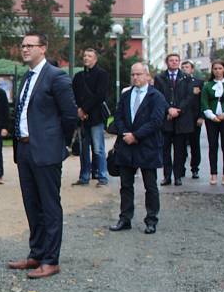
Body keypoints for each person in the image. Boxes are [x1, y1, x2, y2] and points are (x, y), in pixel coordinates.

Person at [8, 33, 78, 279]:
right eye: (23, 45)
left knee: (49, 206)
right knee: (32, 204)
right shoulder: (27, 77)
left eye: (30, 45)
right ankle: (36, 254)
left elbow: (70, 115)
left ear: (43, 48)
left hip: (46, 150)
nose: (25, 49)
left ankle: (51, 260)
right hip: (25, 149)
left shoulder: (56, 76)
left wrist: (59, 143)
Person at [109, 63, 168, 235]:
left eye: (139, 74)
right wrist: (125, 132)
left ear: (147, 76)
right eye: (133, 74)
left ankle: (151, 220)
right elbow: (118, 116)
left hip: (147, 146)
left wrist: (136, 135)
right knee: (126, 185)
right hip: (127, 146)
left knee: (150, 186)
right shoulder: (126, 95)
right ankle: (125, 218)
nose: (135, 77)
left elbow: (156, 121)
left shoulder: (156, 96)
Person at [153, 53, 195, 186]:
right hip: (166, 119)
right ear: (167, 62)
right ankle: (167, 176)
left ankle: (178, 176)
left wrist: (178, 110)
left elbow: (189, 97)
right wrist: (168, 109)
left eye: (177, 60)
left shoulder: (186, 78)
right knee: (165, 150)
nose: (174, 62)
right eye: (171, 60)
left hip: (181, 119)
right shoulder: (160, 78)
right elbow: (158, 96)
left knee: (179, 150)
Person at [71, 48, 109, 186]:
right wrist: (79, 111)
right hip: (82, 118)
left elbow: (100, 95)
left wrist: (84, 109)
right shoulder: (79, 76)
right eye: (85, 55)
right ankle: (84, 176)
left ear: (95, 59)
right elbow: (73, 95)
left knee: (98, 148)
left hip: (96, 116)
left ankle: (102, 176)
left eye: (89, 56)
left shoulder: (102, 75)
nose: (86, 58)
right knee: (83, 149)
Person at [200, 59, 224, 186]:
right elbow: (204, 103)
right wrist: (211, 116)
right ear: (212, 70)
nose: (217, 71)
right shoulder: (207, 86)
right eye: (215, 68)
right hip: (212, 119)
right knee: (213, 146)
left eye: (220, 68)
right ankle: (213, 174)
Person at [181, 60, 204, 179]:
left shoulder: (199, 83)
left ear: (192, 69)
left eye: (187, 67)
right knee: (181, 145)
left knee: (195, 144)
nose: (185, 69)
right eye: (183, 67)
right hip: (182, 118)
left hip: (195, 118)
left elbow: (202, 101)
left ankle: (195, 168)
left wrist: (201, 116)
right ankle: (181, 169)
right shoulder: (179, 83)